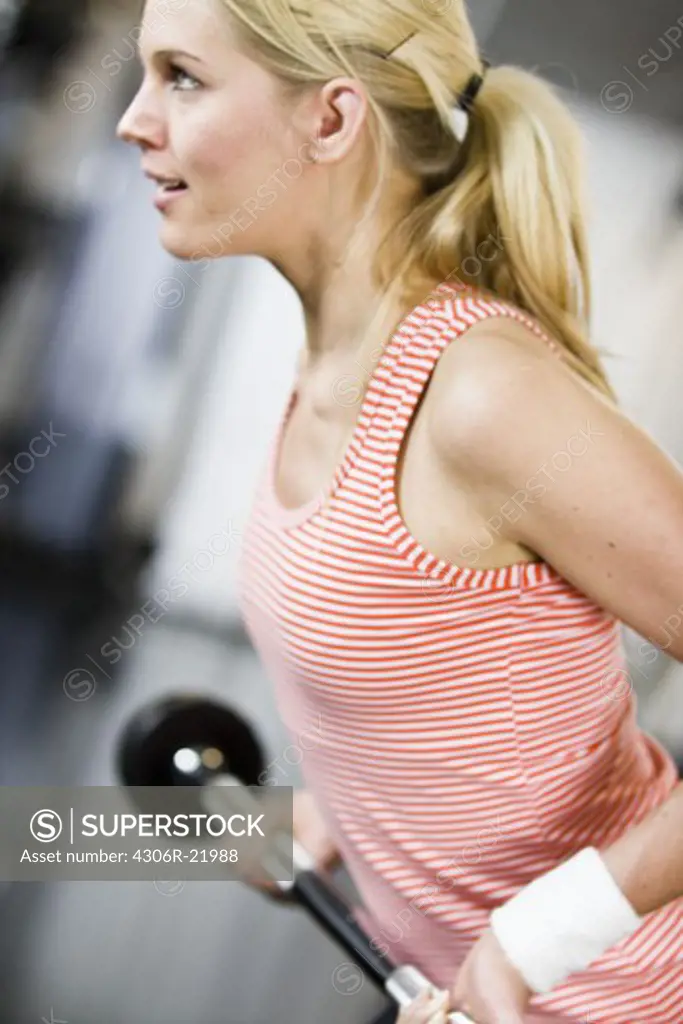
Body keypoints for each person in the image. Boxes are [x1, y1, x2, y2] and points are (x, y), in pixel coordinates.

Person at [116, 0, 683, 1021]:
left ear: (329, 121)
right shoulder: (334, 368)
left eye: (181, 76)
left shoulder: (479, 392)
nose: (132, 119)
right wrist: (340, 812)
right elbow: (442, 677)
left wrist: (534, 937)